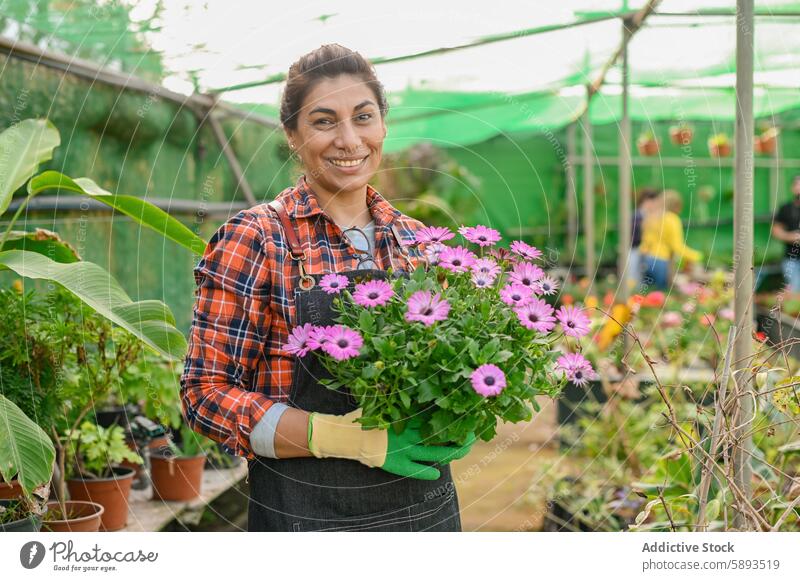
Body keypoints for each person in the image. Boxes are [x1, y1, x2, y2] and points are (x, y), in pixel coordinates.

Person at [180, 44, 474, 532]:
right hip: (306, 516)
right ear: (292, 136)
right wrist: (337, 436)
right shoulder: (256, 239)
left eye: (363, 117)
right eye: (323, 121)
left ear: (383, 125)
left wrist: (461, 408)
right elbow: (204, 395)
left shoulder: (420, 243)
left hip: (426, 511)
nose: (349, 139)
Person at [638, 189, 703, 291]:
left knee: (646, 294)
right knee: (661, 295)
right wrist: (697, 256)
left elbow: (645, 242)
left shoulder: (651, 218)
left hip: (645, 259)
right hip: (660, 260)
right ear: (676, 205)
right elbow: (677, 246)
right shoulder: (672, 219)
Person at [772, 175, 800, 292]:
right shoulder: (786, 208)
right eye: (798, 184)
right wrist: (791, 237)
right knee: (795, 289)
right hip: (791, 259)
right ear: (793, 188)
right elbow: (776, 230)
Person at [627, 188, 659, 288]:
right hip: (635, 250)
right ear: (646, 201)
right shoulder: (637, 216)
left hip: (647, 252)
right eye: (652, 201)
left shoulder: (652, 217)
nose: (654, 205)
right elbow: (634, 236)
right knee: (634, 277)